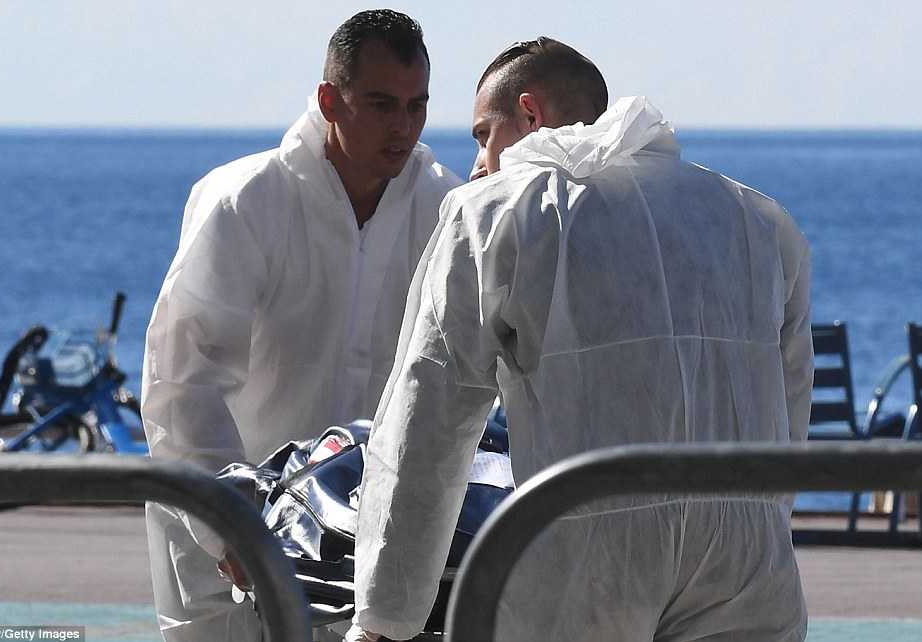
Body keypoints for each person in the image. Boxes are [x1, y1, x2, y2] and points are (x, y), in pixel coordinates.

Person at [348, 37, 813, 641]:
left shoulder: (496, 214)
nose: (479, 163)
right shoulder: (759, 219)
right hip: (745, 552)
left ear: (530, 114)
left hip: (587, 547)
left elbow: (428, 417)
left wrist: (386, 616)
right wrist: (765, 523)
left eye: (484, 135)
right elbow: (789, 401)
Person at [141, 10, 463, 641]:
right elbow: (183, 379)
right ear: (329, 100)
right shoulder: (245, 199)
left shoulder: (446, 210)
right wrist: (229, 522)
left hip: (371, 548)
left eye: (416, 106)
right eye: (380, 104)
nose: (402, 127)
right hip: (224, 542)